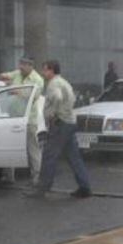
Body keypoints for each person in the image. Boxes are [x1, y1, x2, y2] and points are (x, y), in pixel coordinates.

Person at [25, 59, 92, 199]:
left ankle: (42, 188)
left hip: (60, 123)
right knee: (74, 156)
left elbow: (57, 97)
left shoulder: (53, 84)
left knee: (49, 156)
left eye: (45, 69)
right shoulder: (64, 82)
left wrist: (53, 113)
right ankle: (85, 187)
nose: (43, 72)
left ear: (51, 70)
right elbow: (71, 99)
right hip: (69, 122)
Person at [0, 58, 45, 184]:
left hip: (28, 119)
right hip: (13, 117)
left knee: (32, 148)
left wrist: (15, 91)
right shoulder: (17, 73)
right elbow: (2, 76)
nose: (21, 67)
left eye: (23, 65)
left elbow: (33, 97)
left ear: (31, 66)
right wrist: (4, 78)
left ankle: (36, 178)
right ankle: (8, 176)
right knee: (10, 146)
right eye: (20, 64)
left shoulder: (38, 80)